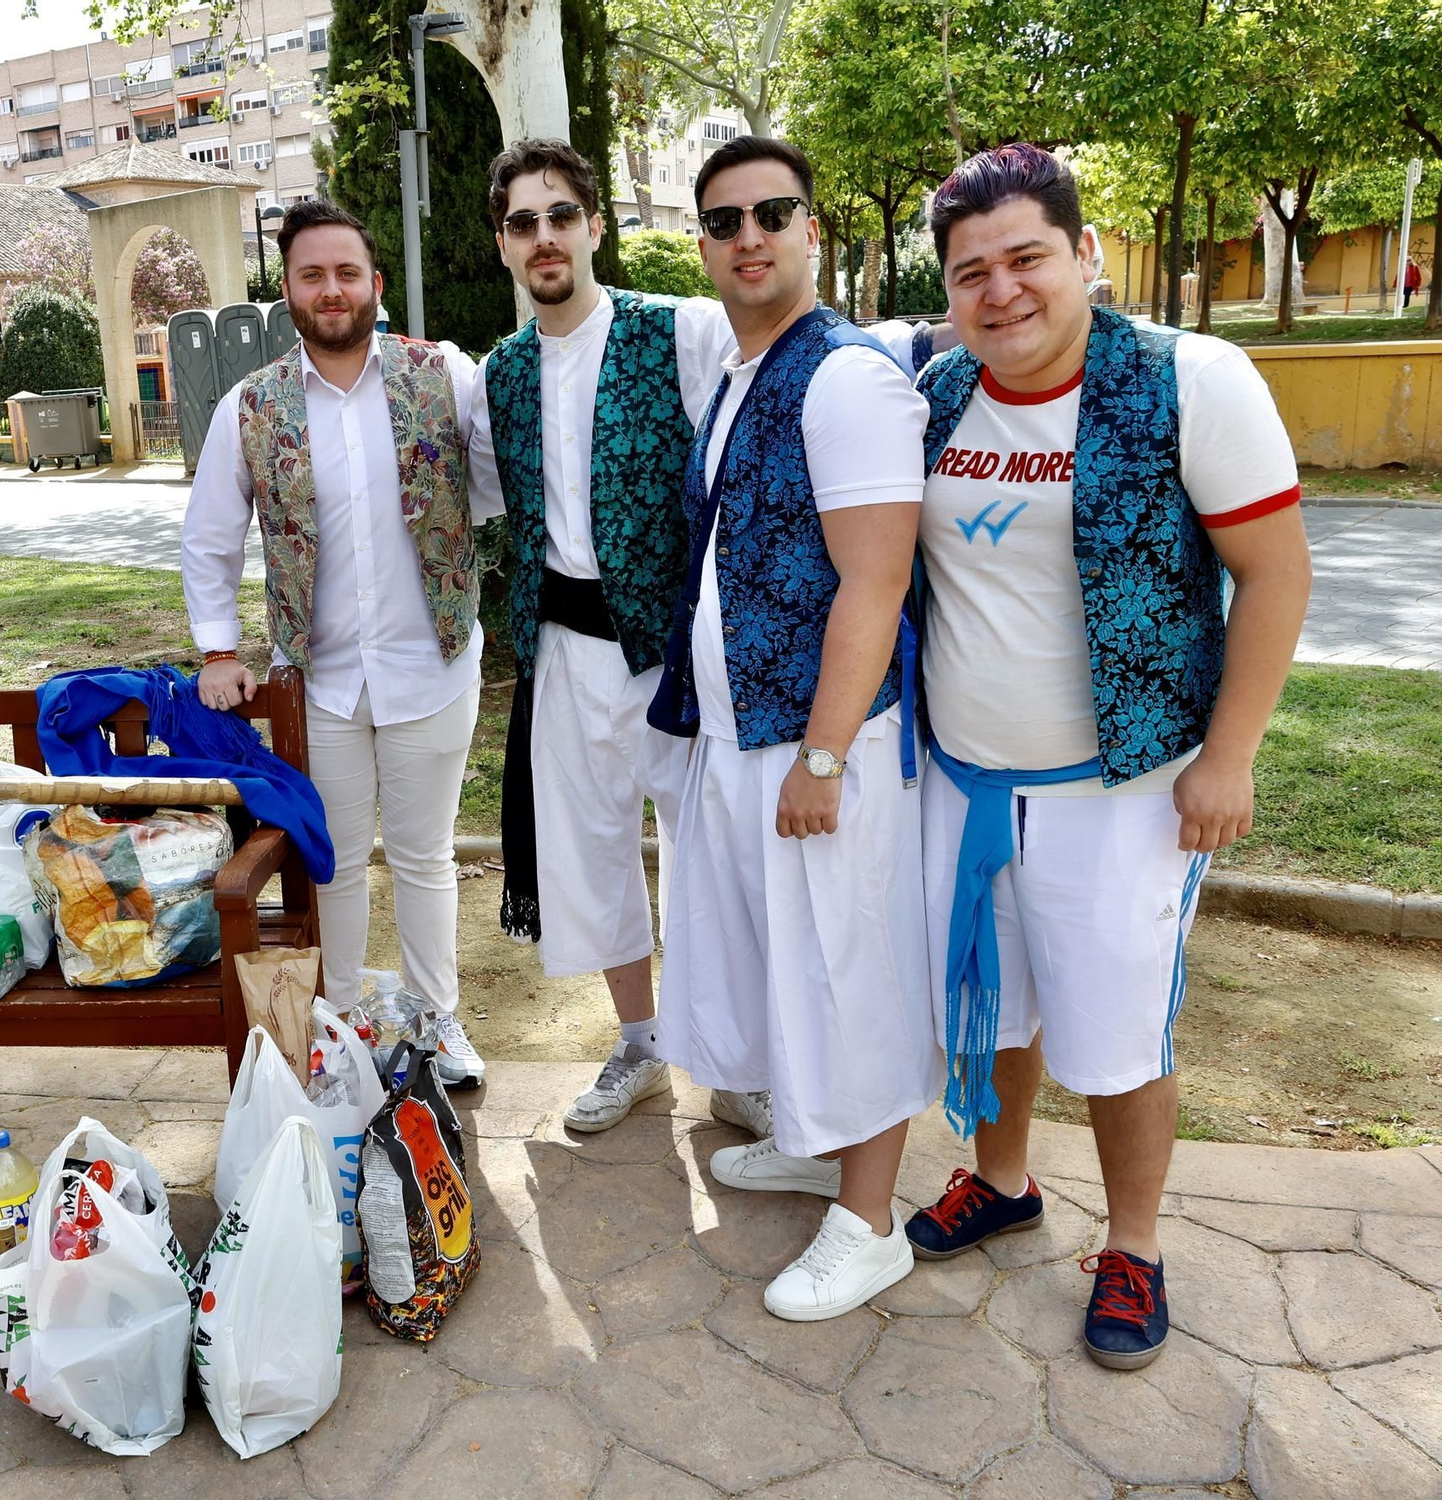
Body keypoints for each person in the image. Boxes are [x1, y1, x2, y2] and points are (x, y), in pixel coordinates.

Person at [904, 143, 1311, 1370]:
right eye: (970, 271)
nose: (1000, 290)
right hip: (967, 779)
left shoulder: (1188, 379)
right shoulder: (934, 397)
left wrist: (1225, 758)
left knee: (1118, 1027)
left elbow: (1274, 573)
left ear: (1085, 254)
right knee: (1003, 999)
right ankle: (1005, 1180)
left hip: (1123, 788)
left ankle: (1131, 1247)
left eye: (1025, 256)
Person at [650, 135, 942, 1321]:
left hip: (820, 744)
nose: (748, 235)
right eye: (723, 221)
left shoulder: (846, 377)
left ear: (812, 230)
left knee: (845, 969)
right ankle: (817, 1144)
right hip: (741, 734)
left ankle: (868, 1223)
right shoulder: (739, 373)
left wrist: (822, 753)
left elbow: (873, 584)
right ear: (704, 246)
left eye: (772, 212)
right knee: (783, 962)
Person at [180, 199, 495, 1086]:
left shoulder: (444, 375)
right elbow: (209, 538)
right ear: (288, 292)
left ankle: (438, 1023)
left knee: (429, 855)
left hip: (432, 663)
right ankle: (347, 1024)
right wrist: (216, 650)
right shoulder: (251, 405)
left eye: (347, 272)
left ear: (376, 285)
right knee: (338, 858)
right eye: (312, 275)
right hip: (317, 680)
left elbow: (500, 487)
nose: (332, 289)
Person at [468, 138, 745, 1135]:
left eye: (558, 216)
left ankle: (735, 1062)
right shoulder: (496, 375)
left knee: (705, 855)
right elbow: (477, 499)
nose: (542, 238)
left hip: (673, 650)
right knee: (590, 854)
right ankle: (639, 1042)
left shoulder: (678, 331)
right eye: (520, 223)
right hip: (562, 647)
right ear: (502, 244)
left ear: (591, 225)